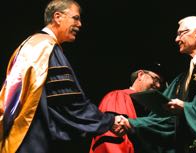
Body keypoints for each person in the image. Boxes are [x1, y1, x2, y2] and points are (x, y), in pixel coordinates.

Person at [0, 0, 126, 153]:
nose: (80, 24)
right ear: (58, 17)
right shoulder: (46, 48)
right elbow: (67, 101)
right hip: (33, 137)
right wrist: (109, 121)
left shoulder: (29, 44)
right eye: (76, 18)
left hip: (15, 135)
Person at [121, 16, 196, 153]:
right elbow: (161, 116)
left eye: (181, 33)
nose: (177, 39)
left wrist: (185, 108)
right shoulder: (180, 80)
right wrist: (131, 123)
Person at [89, 63, 167, 153]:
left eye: (160, 83)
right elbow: (110, 139)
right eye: (155, 79)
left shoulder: (152, 110)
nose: (158, 86)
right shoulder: (118, 96)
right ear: (141, 75)